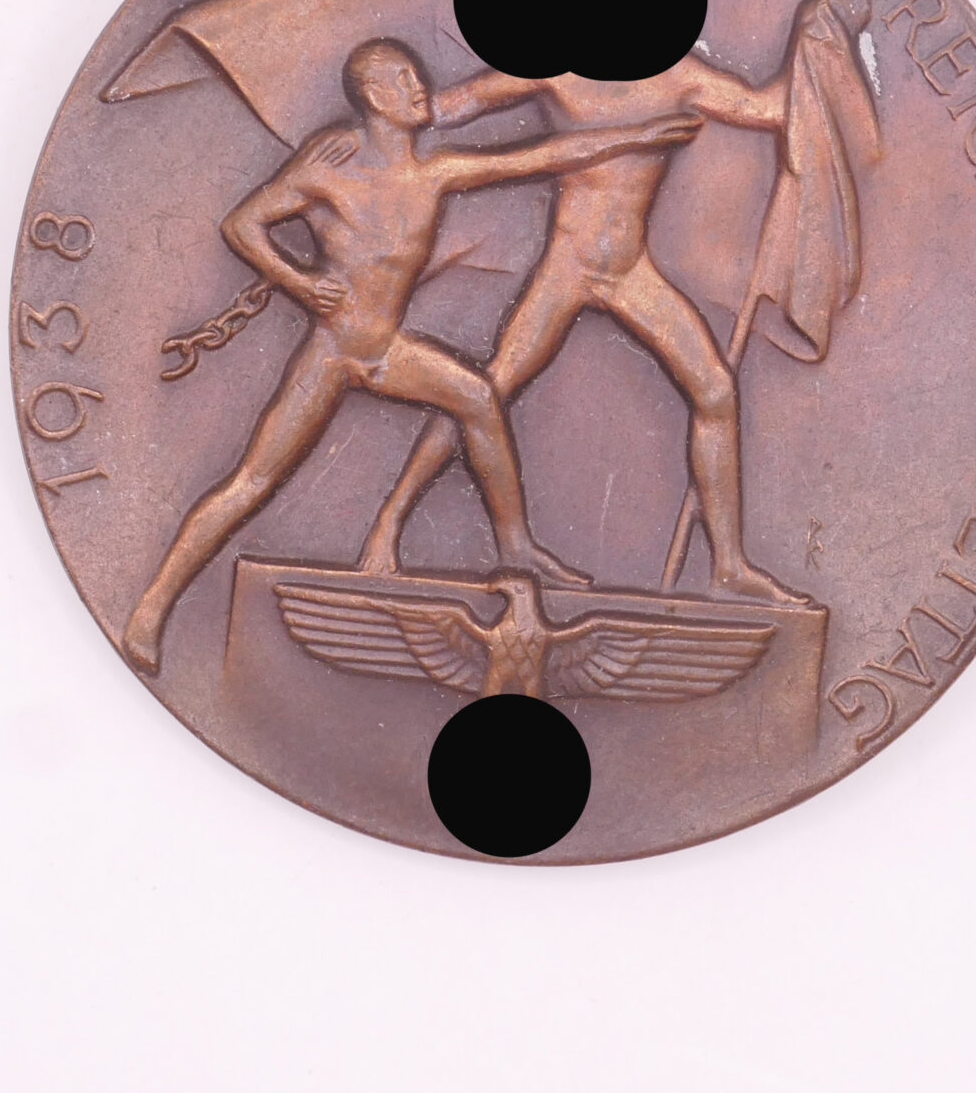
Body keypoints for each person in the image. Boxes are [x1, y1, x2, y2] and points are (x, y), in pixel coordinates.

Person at [123, 39, 701, 674]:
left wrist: (636, 136)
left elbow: (537, 157)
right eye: (401, 77)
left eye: (415, 72)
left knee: (477, 397)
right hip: (333, 353)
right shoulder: (330, 169)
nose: (418, 83)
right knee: (251, 483)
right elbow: (242, 224)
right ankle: (153, 607)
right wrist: (299, 282)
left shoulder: (434, 174)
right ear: (374, 96)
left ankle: (516, 547)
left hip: (385, 351)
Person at [355, 51, 809, 607]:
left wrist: (815, 43)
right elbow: (442, 109)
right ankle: (389, 522)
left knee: (715, 389)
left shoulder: (682, 77)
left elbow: (767, 108)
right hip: (566, 271)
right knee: (485, 392)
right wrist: (362, 134)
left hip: (628, 271)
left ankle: (729, 568)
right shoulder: (557, 71)